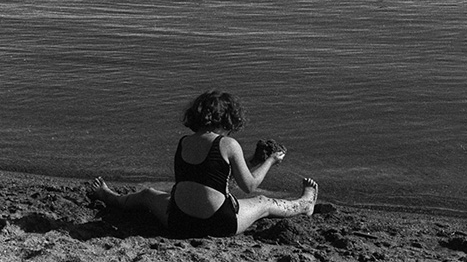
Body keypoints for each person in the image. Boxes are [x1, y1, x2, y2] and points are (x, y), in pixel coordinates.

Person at [87, 89, 318, 238]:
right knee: (263, 202)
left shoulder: (184, 142)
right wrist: (269, 161)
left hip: (178, 222)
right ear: (231, 119)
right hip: (218, 224)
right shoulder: (228, 144)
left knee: (148, 194)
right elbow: (249, 186)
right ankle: (305, 204)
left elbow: (213, 180)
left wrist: (252, 162)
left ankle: (110, 197)